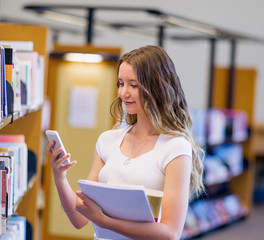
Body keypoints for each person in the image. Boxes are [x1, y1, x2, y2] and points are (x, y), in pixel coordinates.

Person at [47, 45, 204, 240]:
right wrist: (60, 177)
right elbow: (80, 219)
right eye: (121, 83)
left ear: (156, 87)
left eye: (133, 85)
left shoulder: (175, 147)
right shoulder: (107, 141)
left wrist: (104, 221)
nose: (123, 93)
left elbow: (170, 233)